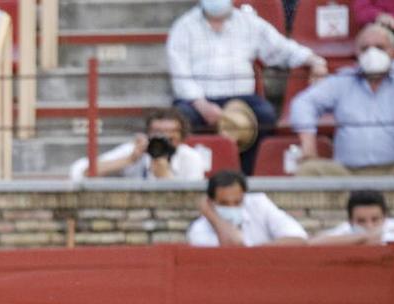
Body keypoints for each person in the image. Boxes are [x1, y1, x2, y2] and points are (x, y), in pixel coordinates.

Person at [167, 0, 328, 173]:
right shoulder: (183, 27)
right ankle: (189, 174)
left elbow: (282, 49)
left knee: (265, 116)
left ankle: (247, 174)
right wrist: (202, 105)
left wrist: (314, 60)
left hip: (242, 99)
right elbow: (179, 75)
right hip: (197, 101)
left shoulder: (249, 22)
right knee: (179, 119)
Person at [289, 24, 394, 178]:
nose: (372, 53)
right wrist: (308, 144)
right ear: (357, 53)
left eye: (380, 47)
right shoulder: (342, 79)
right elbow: (303, 103)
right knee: (308, 171)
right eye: (365, 48)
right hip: (346, 172)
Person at [68, 107, 209, 181]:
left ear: (182, 137)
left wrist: (164, 175)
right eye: (157, 132)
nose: (163, 138)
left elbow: (191, 199)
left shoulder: (192, 158)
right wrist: (129, 159)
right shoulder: (135, 151)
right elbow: (81, 171)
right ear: (148, 134)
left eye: (169, 133)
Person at [187, 169, 308, 246]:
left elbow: (298, 239)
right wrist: (212, 216)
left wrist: (255, 252)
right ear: (211, 202)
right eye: (224, 203)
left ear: (244, 196)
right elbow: (235, 249)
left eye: (237, 202)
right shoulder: (199, 230)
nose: (232, 207)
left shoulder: (258, 204)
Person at [311, 189, 394, 244]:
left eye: (375, 219)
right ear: (350, 221)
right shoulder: (346, 229)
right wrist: (364, 237)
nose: (369, 226)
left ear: (385, 217)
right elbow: (313, 243)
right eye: (361, 221)